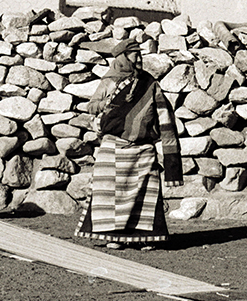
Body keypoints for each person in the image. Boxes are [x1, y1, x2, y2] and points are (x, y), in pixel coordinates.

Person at [74, 39, 183, 250]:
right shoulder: (109, 81)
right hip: (113, 148)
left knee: (145, 194)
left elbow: (163, 113)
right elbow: (91, 106)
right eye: (135, 55)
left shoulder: (149, 83)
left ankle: (144, 237)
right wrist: (109, 105)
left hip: (142, 149)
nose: (139, 58)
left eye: (140, 54)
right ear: (123, 57)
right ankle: (113, 236)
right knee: (110, 195)